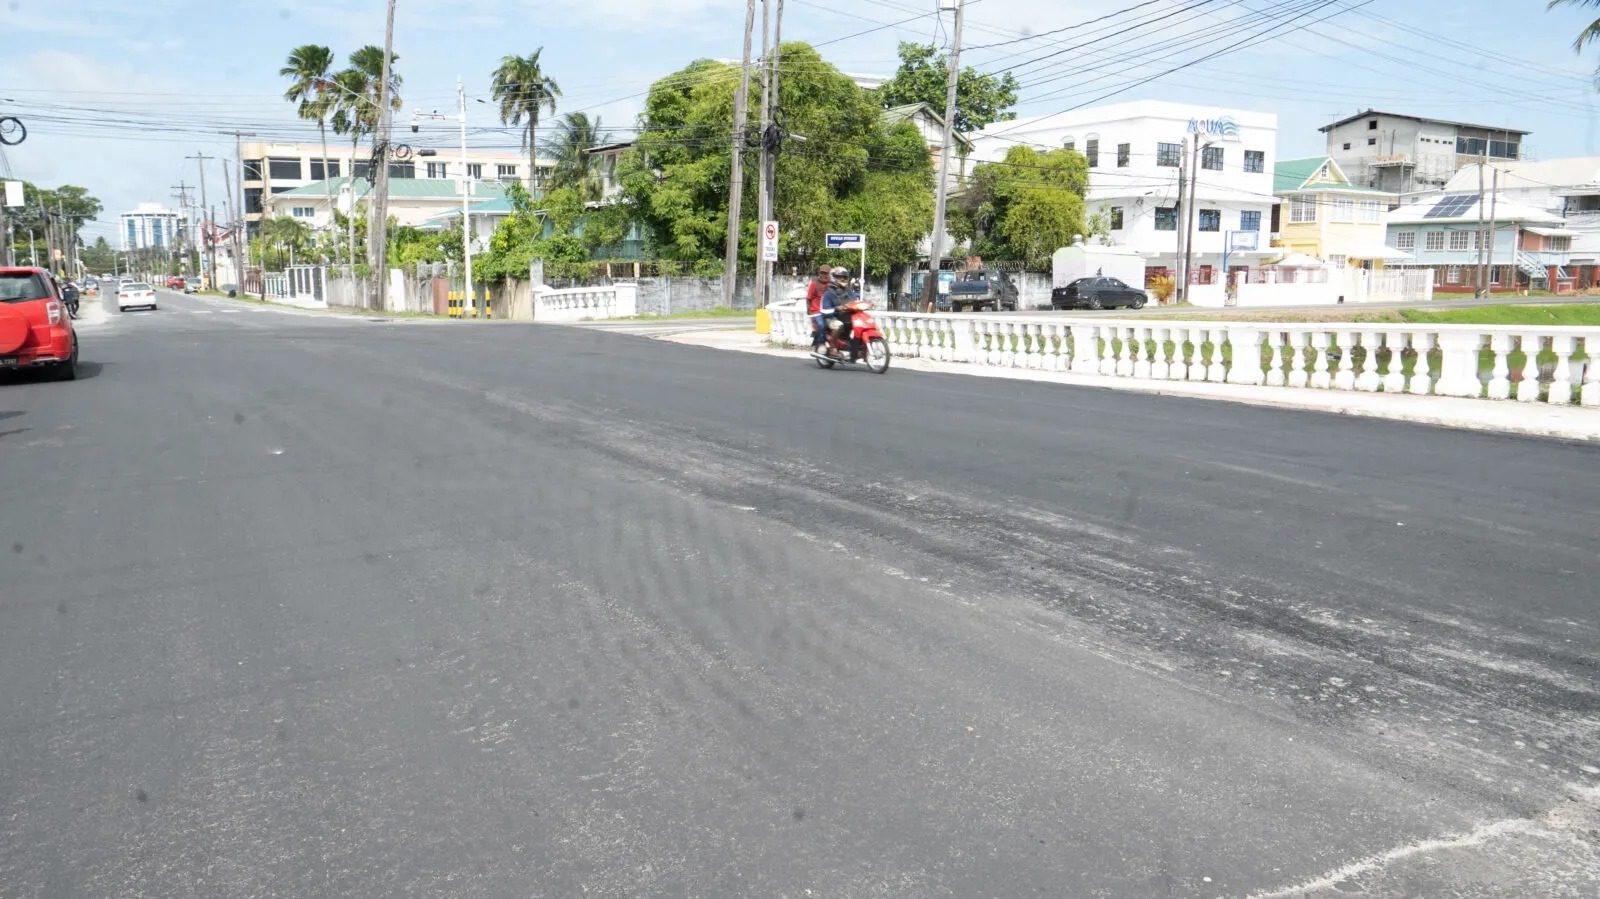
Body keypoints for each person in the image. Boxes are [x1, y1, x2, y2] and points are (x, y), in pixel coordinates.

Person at [820, 267, 856, 357]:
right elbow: (824, 310)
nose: (842, 279)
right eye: (839, 276)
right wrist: (837, 308)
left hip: (845, 316)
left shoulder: (848, 291)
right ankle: (832, 349)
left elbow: (855, 302)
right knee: (838, 325)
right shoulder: (829, 292)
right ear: (834, 277)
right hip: (831, 317)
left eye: (844, 277)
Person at [805, 264, 832, 351]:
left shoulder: (831, 284)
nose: (824, 275)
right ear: (819, 273)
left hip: (828, 311)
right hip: (816, 311)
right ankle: (821, 344)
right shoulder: (814, 284)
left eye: (826, 273)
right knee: (821, 325)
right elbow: (808, 298)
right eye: (822, 273)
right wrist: (809, 311)